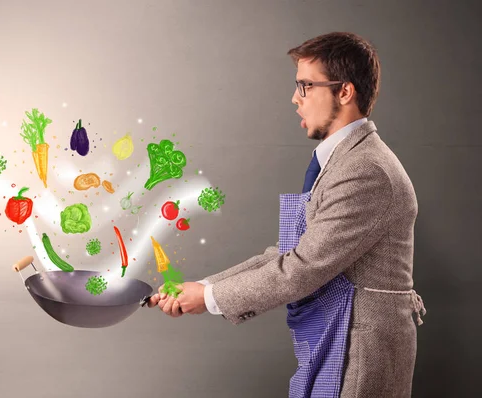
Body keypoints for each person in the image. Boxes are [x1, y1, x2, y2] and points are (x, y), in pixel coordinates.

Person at [148, 31, 426, 397]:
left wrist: (210, 299)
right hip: (336, 338)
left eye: (306, 86)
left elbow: (301, 268)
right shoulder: (344, 161)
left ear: (345, 92)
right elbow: (287, 253)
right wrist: (206, 287)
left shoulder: (365, 170)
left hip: (358, 356)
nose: (295, 98)